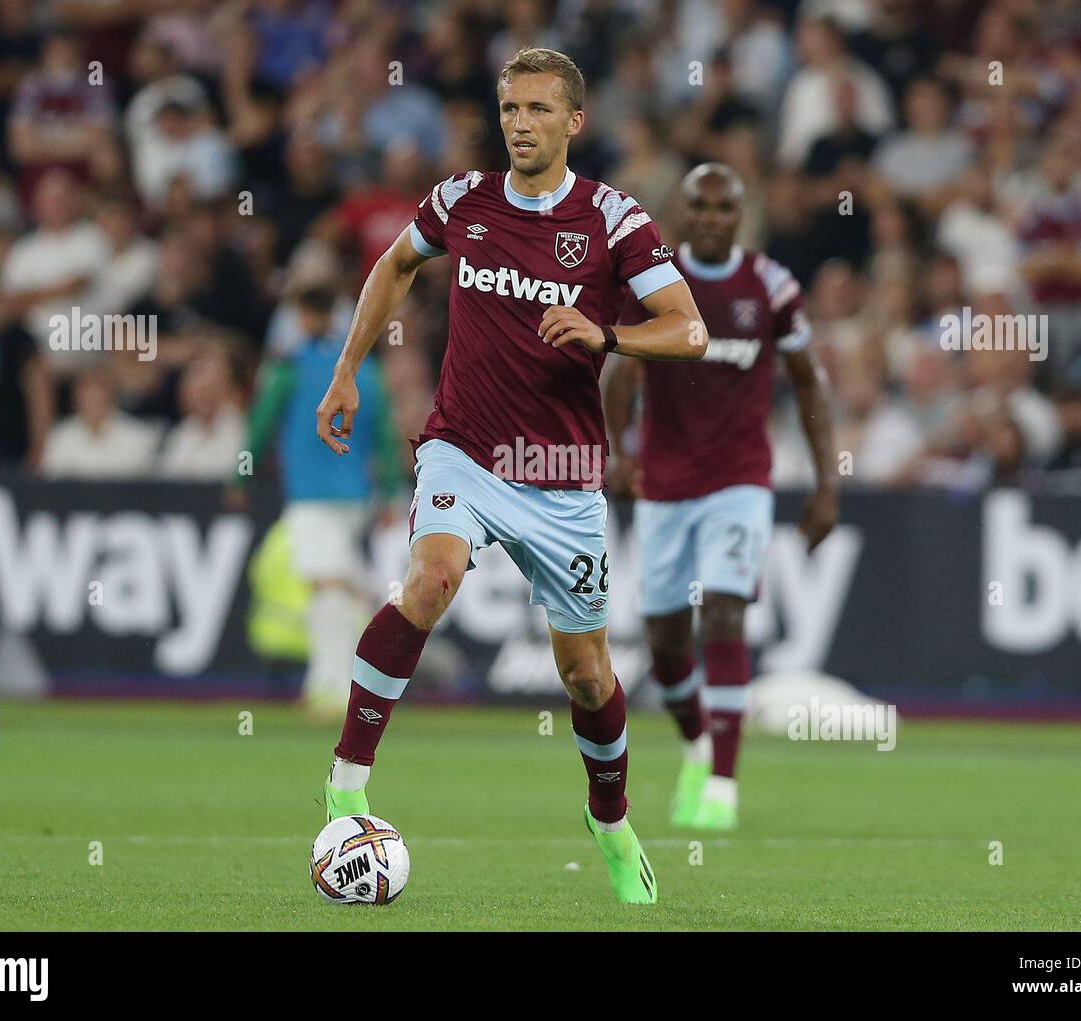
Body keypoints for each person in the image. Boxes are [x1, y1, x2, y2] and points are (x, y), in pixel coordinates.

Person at [314, 48, 707, 904]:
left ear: (574, 121)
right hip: (464, 445)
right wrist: (347, 370)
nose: (520, 125)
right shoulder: (463, 200)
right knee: (431, 577)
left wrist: (610, 334)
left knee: (588, 676)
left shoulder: (613, 219)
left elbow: (688, 331)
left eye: (537, 109)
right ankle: (346, 781)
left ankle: (609, 820)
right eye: (509, 109)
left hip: (562, 474)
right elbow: (394, 265)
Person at [605, 163, 839, 830]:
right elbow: (618, 371)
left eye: (723, 206)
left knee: (726, 616)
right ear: (680, 213)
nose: (709, 216)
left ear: (742, 215)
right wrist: (619, 452)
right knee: (665, 641)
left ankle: (725, 786)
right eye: (698, 206)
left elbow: (810, 383)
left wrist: (827, 483)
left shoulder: (770, 286)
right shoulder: (653, 281)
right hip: (664, 486)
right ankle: (697, 745)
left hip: (739, 480)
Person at [239, 285, 401, 717]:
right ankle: (342, 674)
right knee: (334, 587)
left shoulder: (288, 368)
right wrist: (387, 489)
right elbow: (384, 433)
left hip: (310, 495)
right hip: (354, 496)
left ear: (305, 315)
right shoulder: (365, 370)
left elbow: (261, 422)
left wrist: (240, 471)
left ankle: (331, 689)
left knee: (326, 586)